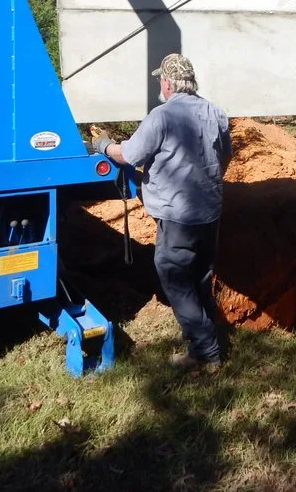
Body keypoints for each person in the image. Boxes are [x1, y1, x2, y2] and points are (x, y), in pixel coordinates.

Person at [92, 53, 231, 372]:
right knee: (200, 276)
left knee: (174, 276)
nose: (160, 85)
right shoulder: (215, 113)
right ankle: (204, 335)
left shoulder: (162, 116)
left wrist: (103, 146)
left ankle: (206, 352)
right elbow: (224, 158)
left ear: (167, 83)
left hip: (177, 216)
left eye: (160, 80)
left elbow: (128, 154)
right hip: (209, 213)